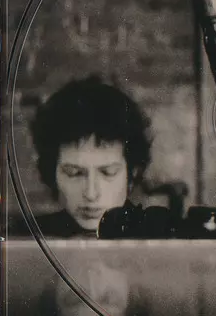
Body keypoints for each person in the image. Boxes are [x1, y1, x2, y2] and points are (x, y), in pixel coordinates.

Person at [11, 75, 152, 238]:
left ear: (132, 174)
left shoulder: (165, 239)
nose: (91, 194)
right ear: (52, 173)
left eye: (108, 173)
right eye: (74, 173)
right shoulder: (22, 237)